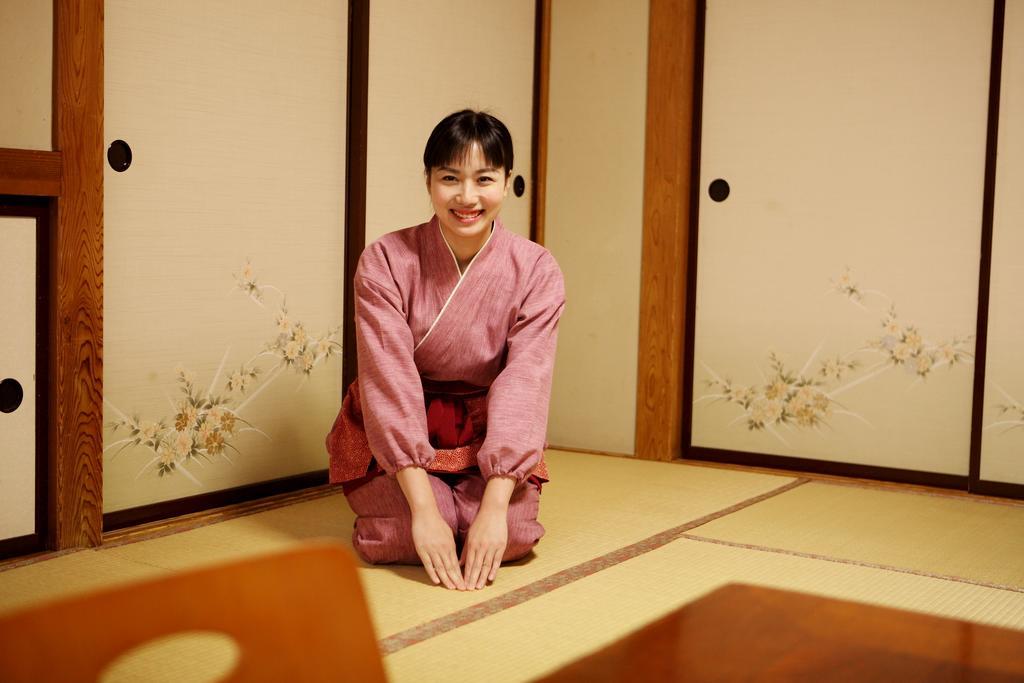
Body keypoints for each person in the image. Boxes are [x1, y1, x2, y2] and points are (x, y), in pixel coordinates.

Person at [326, 110, 565, 591]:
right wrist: (423, 510)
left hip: (485, 429)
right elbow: (387, 377)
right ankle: (424, 504)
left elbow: (525, 383)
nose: (467, 197)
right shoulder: (385, 260)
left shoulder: (537, 269)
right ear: (428, 180)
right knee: (397, 537)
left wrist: (495, 507)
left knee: (514, 536)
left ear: (507, 181)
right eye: (450, 179)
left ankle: (475, 507)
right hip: (401, 425)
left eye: (484, 179)